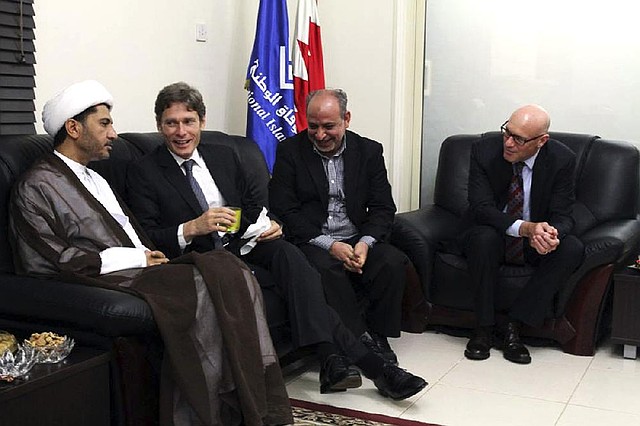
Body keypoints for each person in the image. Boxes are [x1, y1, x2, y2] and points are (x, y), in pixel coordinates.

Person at [9, 80, 293, 426]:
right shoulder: (36, 185)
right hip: (110, 276)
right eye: (104, 124)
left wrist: (149, 252)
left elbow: (132, 232)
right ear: (73, 128)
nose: (114, 133)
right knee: (205, 287)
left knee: (229, 270)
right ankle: (205, 412)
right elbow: (55, 257)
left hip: (146, 263)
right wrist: (139, 258)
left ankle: (242, 397)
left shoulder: (95, 177)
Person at [125, 81, 427, 400]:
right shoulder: (144, 171)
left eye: (188, 121)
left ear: (202, 121)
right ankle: (370, 367)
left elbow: (254, 205)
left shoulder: (223, 155)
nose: (181, 132)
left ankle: (337, 361)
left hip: (245, 244)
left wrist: (272, 224)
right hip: (201, 259)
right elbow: (146, 237)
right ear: (159, 126)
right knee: (307, 269)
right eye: (171, 123)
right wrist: (191, 228)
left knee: (290, 257)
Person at [269, 89, 411, 367]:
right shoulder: (290, 151)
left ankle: (379, 335)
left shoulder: (369, 151)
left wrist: (365, 243)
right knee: (327, 268)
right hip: (312, 238)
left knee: (392, 262)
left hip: (356, 235)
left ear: (346, 119)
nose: (320, 135)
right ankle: (360, 340)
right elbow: (285, 210)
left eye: (329, 126)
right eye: (313, 126)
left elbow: (383, 207)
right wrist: (330, 245)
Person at [457, 104, 584, 364]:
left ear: (541, 141)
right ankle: (483, 329)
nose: (509, 143)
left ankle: (515, 326)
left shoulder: (562, 159)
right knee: (484, 238)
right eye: (507, 132)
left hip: (532, 241)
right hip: (491, 231)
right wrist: (526, 228)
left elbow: (563, 213)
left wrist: (549, 234)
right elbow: (481, 208)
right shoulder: (484, 151)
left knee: (571, 248)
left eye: (519, 139)